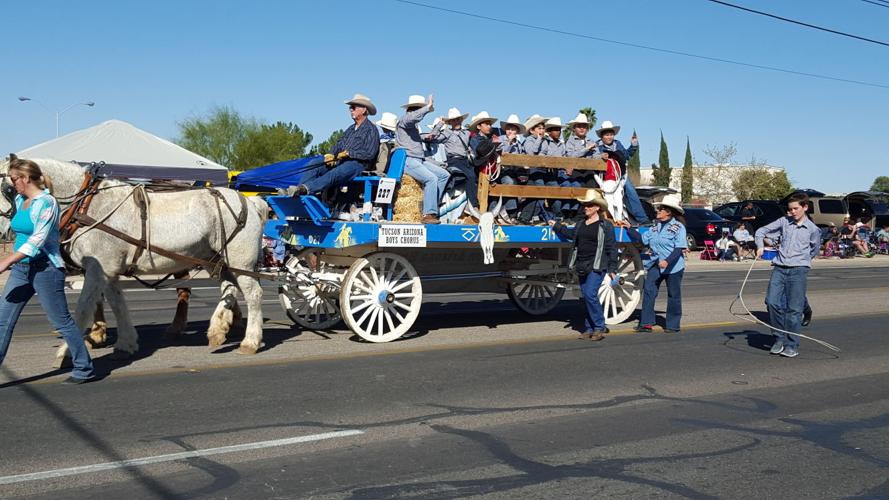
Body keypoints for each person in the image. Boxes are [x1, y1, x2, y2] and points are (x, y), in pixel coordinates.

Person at [0, 158, 95, 384]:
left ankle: (84, 368)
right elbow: (15, 229)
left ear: (26, 178)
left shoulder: (48, 203)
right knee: (3, 320)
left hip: (46, 269)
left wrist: (5, 261)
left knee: (60, 321)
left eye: (15, 179)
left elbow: (37, 240)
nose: (13, 184)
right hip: (22, 269)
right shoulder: (20, 199)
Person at [755, 192, 821, 358]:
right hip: (779, 267)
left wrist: (802, 261)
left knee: (793, 309)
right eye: (790, 209)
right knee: (771, 302)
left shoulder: (813, 230)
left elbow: (814, 250)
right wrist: (759, 246)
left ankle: (792, 345)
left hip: (798, 270)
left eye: (795, 209)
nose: (791, 212)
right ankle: (779, 338)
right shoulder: (784, 222)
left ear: (805, 207)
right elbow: (761, 231)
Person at [548, 190, 618, 341]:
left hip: (596, 264)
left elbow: (612, 247)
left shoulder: (605, 225)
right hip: (581, 264)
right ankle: (589, 327)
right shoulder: (581, 224)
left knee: (590, 294)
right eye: (585, 205)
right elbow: (570, 234)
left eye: (589, 205)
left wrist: (613, 268)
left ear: (597, 208)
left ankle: (599, 326)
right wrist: (557, 226)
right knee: (585, 297)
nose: (586, 207)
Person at [287, 94, 380, 197]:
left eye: (353, 107)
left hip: (358, 165)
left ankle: (306, 189)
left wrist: (349, 153)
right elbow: (339, 144)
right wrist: (331, 154)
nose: (351, 110)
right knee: (314, 164)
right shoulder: (350, 129)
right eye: (350, 107)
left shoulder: (372, 129)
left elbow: (370, 153)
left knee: (335, 173)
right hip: (342, 161)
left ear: (363, 110)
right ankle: (298, 191)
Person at [635, 193, 687, 333]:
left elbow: (679, 248)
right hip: (655, 264)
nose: (657, 211)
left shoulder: (678, 227)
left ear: (668, 212)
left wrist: (667, 261)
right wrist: (628, 228)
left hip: (674, 267)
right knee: (649, 291)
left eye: (660, 209)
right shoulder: (654, 227)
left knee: (673, 295)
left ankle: (673, 325)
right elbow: (642, 239)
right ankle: (646, 323)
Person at [396, 94, 451, 224]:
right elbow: (411, 118)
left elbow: (428, 137)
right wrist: (427, 108)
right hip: (408, 159)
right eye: (418, 109)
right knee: (431, 179)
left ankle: (430, 206)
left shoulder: (412, 128)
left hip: (418, 159)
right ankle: (428, 214)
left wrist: (439, 126)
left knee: (444, 175)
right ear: (413, 110)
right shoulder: (404, 120)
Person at [594, 120, 650, 225]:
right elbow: (592, 158)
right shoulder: (597, 146)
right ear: (602, 136)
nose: (609, 137)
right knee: (610, 198)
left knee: (630, 191)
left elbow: (626, 156)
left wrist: (633, 146)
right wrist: (599, 156)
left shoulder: (617, 143)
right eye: (606, 135)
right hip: (606, 177)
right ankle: (611, 220)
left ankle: (642, 219)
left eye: (611, 134)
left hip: (620, 175)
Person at [429, 107, 480, 218]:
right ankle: (473, 206)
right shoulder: (446, 133)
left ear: (461, 120)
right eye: (454, 120)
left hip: (465, 159)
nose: (456, 121)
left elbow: (476, 145)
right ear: (450, 122)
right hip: (454, 160)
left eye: (458, 119)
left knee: (475, 175)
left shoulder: (467, 133)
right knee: (470, 176)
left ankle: (470, 204)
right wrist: (439, 125)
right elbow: (432, 138)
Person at [496, 114, 526, 223]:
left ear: (517, 131)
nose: (510, 131)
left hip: (515, 171)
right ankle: (511, 212)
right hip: (502, 170)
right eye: (508, 128)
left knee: (527, 184)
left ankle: (521, 213)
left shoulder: (519, 144)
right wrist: (508, 142)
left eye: (513, 129)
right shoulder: (500, 139)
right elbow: (502, 154)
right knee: (509, 182)